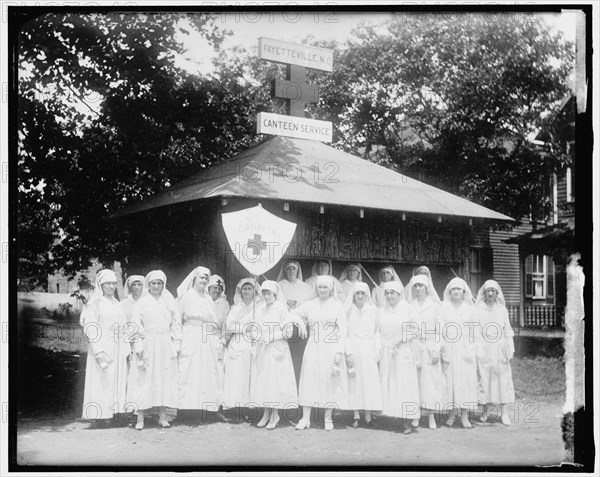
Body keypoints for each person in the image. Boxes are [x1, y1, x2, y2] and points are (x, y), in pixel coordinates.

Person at [288, 275, 348, 431]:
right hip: (313, 346)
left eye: (325, 287)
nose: (322, 290)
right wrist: (301, 323)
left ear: (331, 289)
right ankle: (305, 418)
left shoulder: (337, 305)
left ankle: (328, 418)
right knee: (309, 379)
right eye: (320, 287)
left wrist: (339, 352)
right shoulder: (310, 305)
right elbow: (292, 314)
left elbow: (342, 331)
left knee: (329, 381)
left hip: (331, 346)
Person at [129, 270, 181, 430]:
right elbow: (136, 325)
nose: (156, 286)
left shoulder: (169, 302)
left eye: (159, 283)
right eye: (153, 283)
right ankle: (140, 418)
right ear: (148, 285)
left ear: (163, 285)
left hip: (165, 343)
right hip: (147, 343)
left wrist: (175, 344)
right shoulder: (142, 303)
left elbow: (176, 324)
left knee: (163, 378)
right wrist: (138, 345)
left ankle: (163, 416)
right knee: (144, 379)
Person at [80, 269, 130, 427]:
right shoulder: (94, 304)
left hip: (119, 346)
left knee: (118, 378)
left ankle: (116, 413)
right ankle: (101, 416)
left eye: (114, 283)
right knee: (103, 380)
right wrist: (98, 350)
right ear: (101, 284)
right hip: (103, 345)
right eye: (108, 283)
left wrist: (127, 346)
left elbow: (124, 327)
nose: (111, 286)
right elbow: (91, 327)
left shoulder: (117, 304)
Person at [176, 266, 226, 421]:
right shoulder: (186, 296)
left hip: (207, 338)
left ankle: (206, 410)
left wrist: (216, 340)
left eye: (206, 278)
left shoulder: (208, 298)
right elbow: (178, 319)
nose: (203, 281)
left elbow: (212, 320)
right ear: (194, 279)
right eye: (201, 278)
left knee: (207, 372)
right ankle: (185, 412)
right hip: (190, 336)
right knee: (188, 372)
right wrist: (178, 341)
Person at [250, 280, 298, 430]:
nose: (266, 296)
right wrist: (256, 337)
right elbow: (255, 327)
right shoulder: (260, 308)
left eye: (268, 293)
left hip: (278, 349)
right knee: (264, 382)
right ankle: (265, 413)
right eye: (264, 293)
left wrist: (272, 336)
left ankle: (275, 414)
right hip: (263, 349)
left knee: (275, 382)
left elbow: (288, 331)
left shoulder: (282, 308)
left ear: (275, 294)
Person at [377, 281, 420, 434]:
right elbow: (377, 331)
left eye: (392, 293)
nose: (389, 296)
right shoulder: (381, 311)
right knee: (389, 383)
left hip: (403, 351)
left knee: (404, 384)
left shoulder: (408, 309)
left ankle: (407, 421)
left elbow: (416, 328)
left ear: (399, 294)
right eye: (387, 293)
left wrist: (401, 339)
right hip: (386, 351)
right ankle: (390, 417)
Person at [474, 280, 515, 426]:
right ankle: (485, 411)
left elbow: (507, 330)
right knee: (485, 380)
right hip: (485, 349)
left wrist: (510, 348)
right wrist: (478, 349)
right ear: (483, 293)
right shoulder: (478, 309)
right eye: (487, 291)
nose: (490, 293)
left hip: (500, 349)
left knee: (503, 380)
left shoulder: (502, 310)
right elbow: (476, 331)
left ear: (497, 293)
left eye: (493, 290)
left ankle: (504, 413)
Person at [406, 274, 444, 430]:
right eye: (415, 286)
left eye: (420, 286)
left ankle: (431, 416)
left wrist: (436, 349)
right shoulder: (409, 305)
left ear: (427, 288)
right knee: (414, 380)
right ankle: (416, 415)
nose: (417, 289)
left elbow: (439, 331)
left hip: (429, 346)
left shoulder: (435, 306)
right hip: (414, 345)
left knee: (430, 382)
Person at [440, 277, 478, 428]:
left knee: (466, 381)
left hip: (465, 348)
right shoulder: (443, 307)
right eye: (453, 289)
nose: (456, 292)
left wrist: (473, 349)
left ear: (464, 292)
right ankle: (451, 412)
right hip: (449, 346)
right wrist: (442, 348)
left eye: (459, 289)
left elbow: (475, 331)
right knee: (450, 381)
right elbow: (440, 329)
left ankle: (464, 415)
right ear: (449, 292)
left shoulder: (470, 309)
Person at [222, 278, 262, 420]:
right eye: (244, 289)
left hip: (252, 344)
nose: (246, 291)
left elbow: (261, 325)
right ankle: (237, 411)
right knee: (238, 377)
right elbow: (230, 326)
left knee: (251, 377)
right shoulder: (235, 308)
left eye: (249, 289)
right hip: (238, 344)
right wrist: (245, 328)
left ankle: (251, 411)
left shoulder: (259, 308)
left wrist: (254, 330)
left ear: (254, 291)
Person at [345, 282, 382, 428]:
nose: (360, 296)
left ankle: (368, 416)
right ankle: (355, 415)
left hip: (369, 349)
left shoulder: (373, 310)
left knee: (369, 382)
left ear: (367, 295)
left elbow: (377, 332)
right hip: (354, 348)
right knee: (354, 382)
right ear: (353, 295)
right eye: (357, 293)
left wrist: (377, 350)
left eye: (363, 293)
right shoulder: (348, 311)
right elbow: (345, 334)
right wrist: (348, 353)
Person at [276, 260, 313, 387]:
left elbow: (310, 305)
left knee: (299, 359)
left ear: (298, 271)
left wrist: (298, 304)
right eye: (289, 268)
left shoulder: (305, 287)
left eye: (294, 269)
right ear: (285, 270)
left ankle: (298, 387)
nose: (291, 271)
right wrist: (286, 303)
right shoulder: (279, 285)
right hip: (284, 328)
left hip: (301, 328)